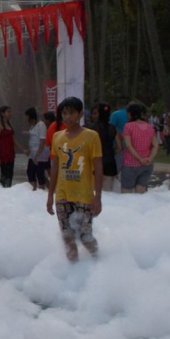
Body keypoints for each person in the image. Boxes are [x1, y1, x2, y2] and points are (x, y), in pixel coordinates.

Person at [46, 97, 102, 263]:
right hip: (62, 195)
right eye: (64, 113)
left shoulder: (91, 136)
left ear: (79, 114)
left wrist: (97, 197)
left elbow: (98, 167)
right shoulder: (57, 137)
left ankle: (100, 262)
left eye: (71, 113)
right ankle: (74, 275)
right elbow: (55, 167)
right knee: (68, 238)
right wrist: (50, 195)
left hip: (84, 195)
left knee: (85, 237)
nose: (67, 117)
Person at [121, 103, 159, 194]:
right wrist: (149, 158)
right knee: (141, 194)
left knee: (127, 194)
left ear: (130, 114)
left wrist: (140, 159)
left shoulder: (128, 126)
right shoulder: (149, 127)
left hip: (131, 165)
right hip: (147, 165)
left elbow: (129, 145)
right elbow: (156, 145)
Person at [86, 102, 119, 193]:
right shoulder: (113, 128)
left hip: (93, 162)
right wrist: (112, 152)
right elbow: (119, 147)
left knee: (94, 192)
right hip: (110, 162)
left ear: (99, 113)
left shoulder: (89, 128)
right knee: (108, 192)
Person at [0, 106, 21, 188]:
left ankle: (8, 190)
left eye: (10, 112)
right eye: (8, 112)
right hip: (3, 153)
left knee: (10, 174)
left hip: (10, 153)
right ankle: (3, 191)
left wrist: (22, 150)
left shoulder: (9, 125)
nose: (10, 114)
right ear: (2, 113)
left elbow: (13, 140)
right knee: (4, 174)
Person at [24, 107, 48, 191]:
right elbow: (33, 140)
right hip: (33, 153)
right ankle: (33, 189)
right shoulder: (32, 126)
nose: (26, 118)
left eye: (27, 116)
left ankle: (42, 190)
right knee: (30, 172)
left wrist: (38, 155)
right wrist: (29, 150)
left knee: (39, 173)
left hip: (40, 154)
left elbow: (42, 141)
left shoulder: (41, 125)